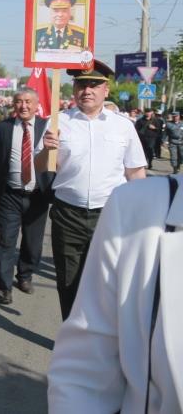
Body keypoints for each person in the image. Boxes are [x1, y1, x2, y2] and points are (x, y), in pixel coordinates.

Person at [48, 174, 181, 413]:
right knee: (71, 285)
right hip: (73, 214)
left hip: (102, 211)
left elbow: (135, 170)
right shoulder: (139, 205)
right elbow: (83, 378)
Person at [39, 60, 147, 319]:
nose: (87, 90)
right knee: (69, 281)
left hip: (110, 215)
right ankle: (73, 333)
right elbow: (40, 166)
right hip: (68, 215)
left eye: (94, 85)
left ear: (105, 90)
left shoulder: (123, 125)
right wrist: (46, 149)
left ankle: (103, 334)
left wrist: (143, 214)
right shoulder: (57, 122)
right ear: (74, 88)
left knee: (108, 281)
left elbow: (135, 172)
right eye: (81, 84)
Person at [0, 89, 53, 305]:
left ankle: (25, 275)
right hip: (8, 195)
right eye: (19, 101)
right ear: (14, 104)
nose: (23, 106)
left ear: (37, 105)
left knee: (33, 243)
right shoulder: (3, 128)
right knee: (6, 241)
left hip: (38, 195)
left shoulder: (48, 128)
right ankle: (4, 288)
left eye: (28, 102)